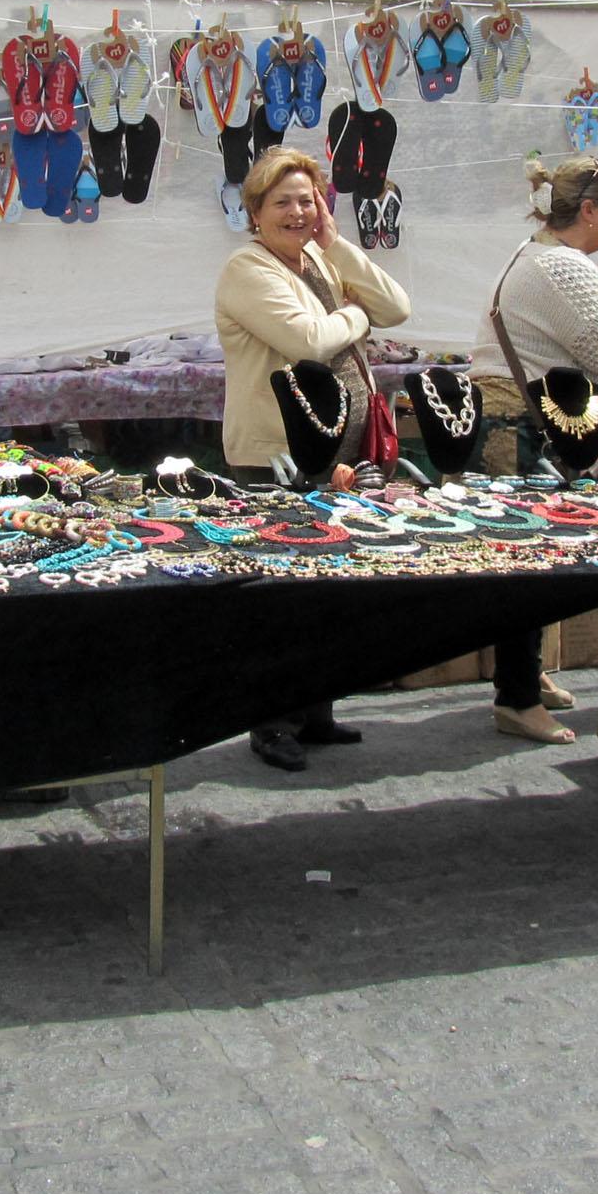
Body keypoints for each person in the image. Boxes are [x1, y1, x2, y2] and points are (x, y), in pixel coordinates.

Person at [214, 146, 411, 772]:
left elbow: (398, 308)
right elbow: (308, 340)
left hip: (338, 450)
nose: (298, 212)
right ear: (255, 212)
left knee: (328, 589)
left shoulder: (318, 257)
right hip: (277, 454)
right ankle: (269, 723)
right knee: (279, 595)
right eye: (283, 202)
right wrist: (354, 314)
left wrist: (339, 243)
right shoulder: (249, 270)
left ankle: (315, 710)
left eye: (308, 199)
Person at [469, 154, 598, 741]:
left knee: (530, 555)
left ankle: (526, 676)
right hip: (525, 429)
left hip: (515, 423)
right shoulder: (564, 266)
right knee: (526, 558)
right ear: (592, 210)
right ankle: (517, 697)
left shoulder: (538, 255)